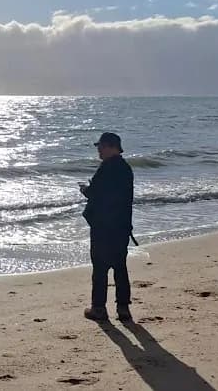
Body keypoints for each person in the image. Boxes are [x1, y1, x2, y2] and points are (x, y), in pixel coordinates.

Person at [80, 132, 134, 322]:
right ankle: (123, 308)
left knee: (100, 268)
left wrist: (85, 190)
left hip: (103, 226)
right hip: (121, 226)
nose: (99, 151)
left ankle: (98, 308)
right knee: (120, 267)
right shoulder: (126, 168)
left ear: (111, 147)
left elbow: (95, 193)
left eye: (101, 147)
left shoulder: (106, 169)